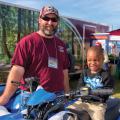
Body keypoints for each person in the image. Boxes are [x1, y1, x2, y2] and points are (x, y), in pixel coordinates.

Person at [0, 5, 70, 106]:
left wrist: (67, 94)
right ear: (39, 20)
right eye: (46, 18)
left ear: (57, 22)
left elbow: (64, 71)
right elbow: (17, 71)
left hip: (58, 96)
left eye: (54, 19)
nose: (50, 22)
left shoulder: (61, 45)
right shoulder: (27, 42)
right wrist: (5, 97)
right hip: (32, 97)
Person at [67, 46, 114, 120]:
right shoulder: (85, 73)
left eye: (96, 60)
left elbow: (109, 91)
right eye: (89, 60)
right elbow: (79, 86)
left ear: (102, 60)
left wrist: (91, 91)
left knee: (98, 118)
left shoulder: (106, 75)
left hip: (97, 105)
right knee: (67, 112)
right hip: (82, 101)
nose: (92, 63)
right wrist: (74, 93)